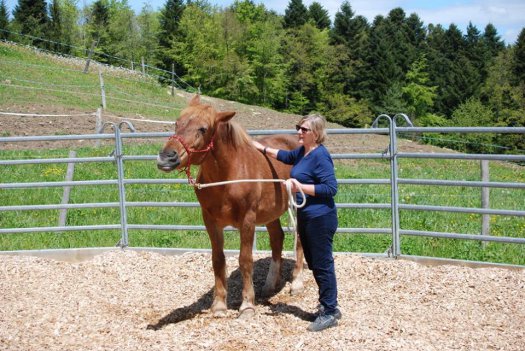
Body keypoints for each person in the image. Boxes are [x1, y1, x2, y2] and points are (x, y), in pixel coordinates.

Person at [252, 114, 341, 332]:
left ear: (316, 134)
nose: (299, 132)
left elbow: (331, 189)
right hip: (307, 216)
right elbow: (282, 154)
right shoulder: (302, 152)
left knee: (322, 264)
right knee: (314, 261)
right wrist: (257, 146)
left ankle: (330, 310)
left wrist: (297, 186)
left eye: (304, 129)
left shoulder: (320, 156)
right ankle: (328, 305)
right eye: (298, 127)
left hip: (321, 217)